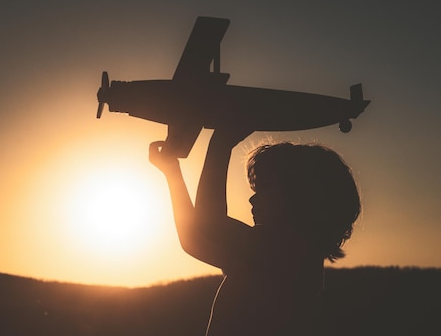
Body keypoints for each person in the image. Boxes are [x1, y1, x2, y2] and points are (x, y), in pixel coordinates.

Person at [149, 128, 361, 336]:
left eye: (265, 188)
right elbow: (195, 241)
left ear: (301, 194)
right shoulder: (284, 251)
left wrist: (221, 143)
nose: (252, 199)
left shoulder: (289, 250)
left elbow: (208, 225)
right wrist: (172, 172)